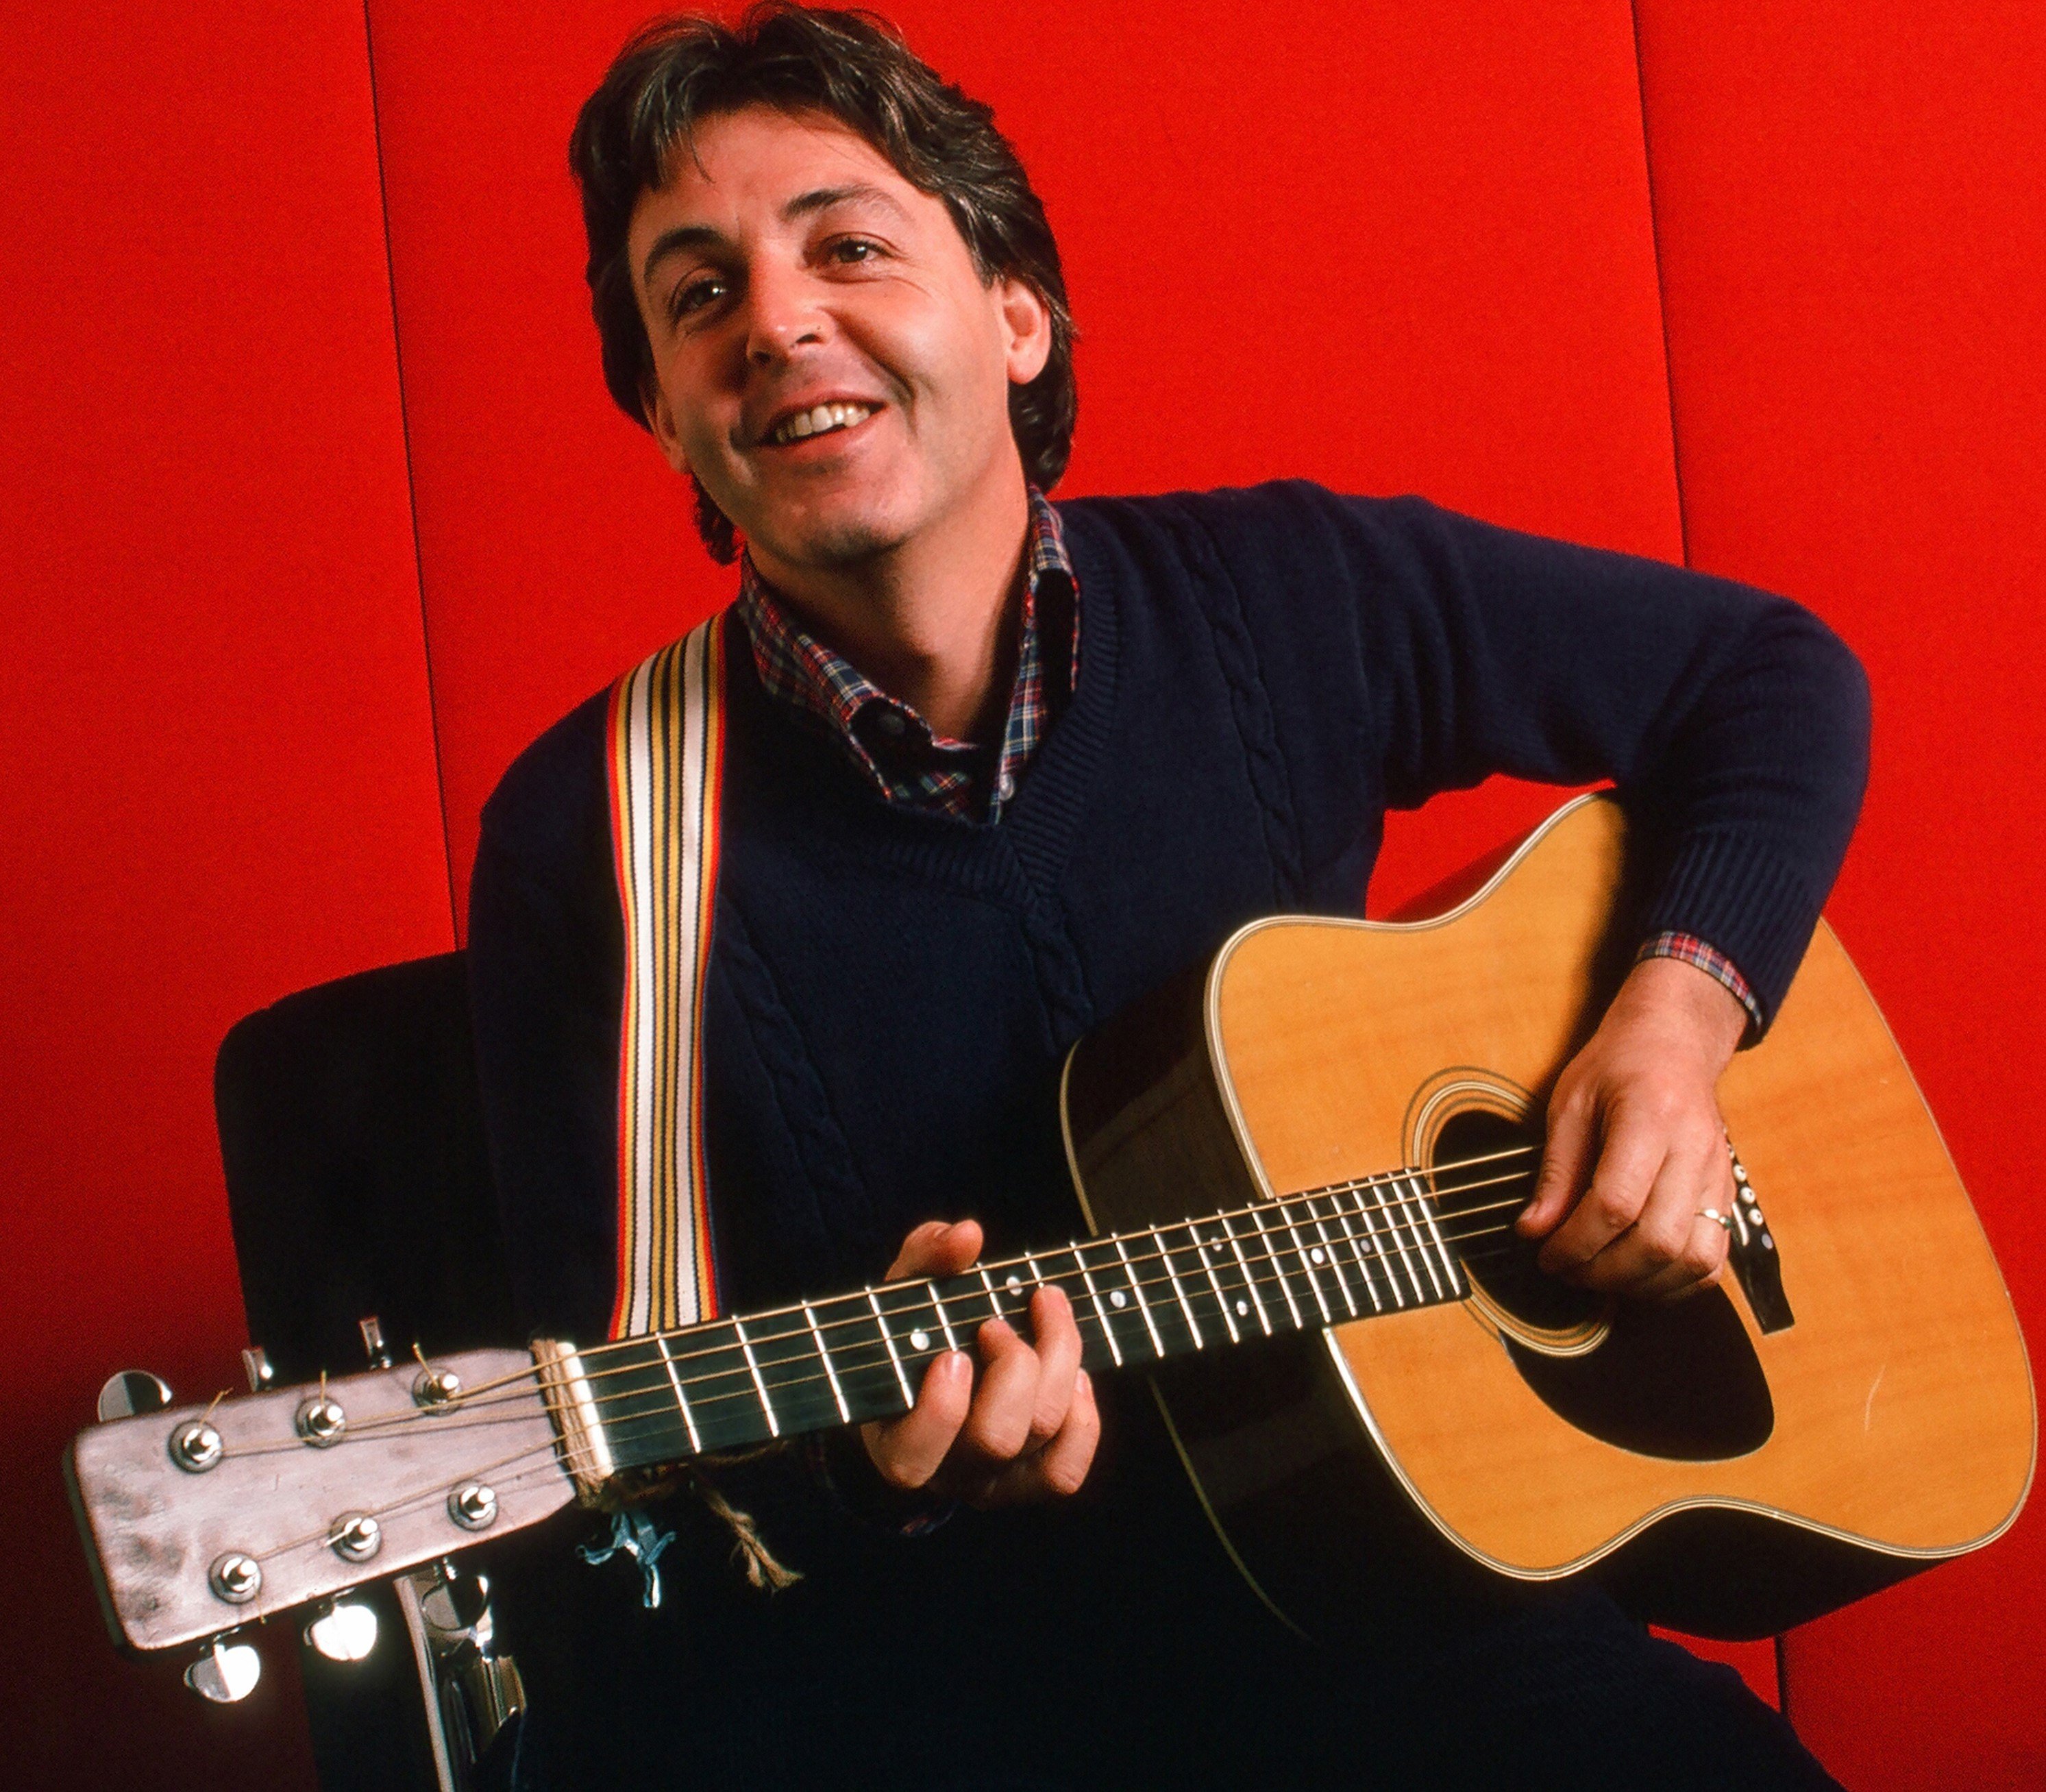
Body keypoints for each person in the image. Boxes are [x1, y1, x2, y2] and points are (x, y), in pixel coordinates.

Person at [467, 7, 1867, 1787]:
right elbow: (631, 1502)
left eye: (848, 247)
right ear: (666, 416)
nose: (777, 322)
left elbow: (1767, 679)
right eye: (698, 294)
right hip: (971, 1692)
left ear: (1015, 315)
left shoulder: (1289, 592)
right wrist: (873, 1483)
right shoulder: (593, 841)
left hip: (1419, 1602)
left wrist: (1672, 1029)